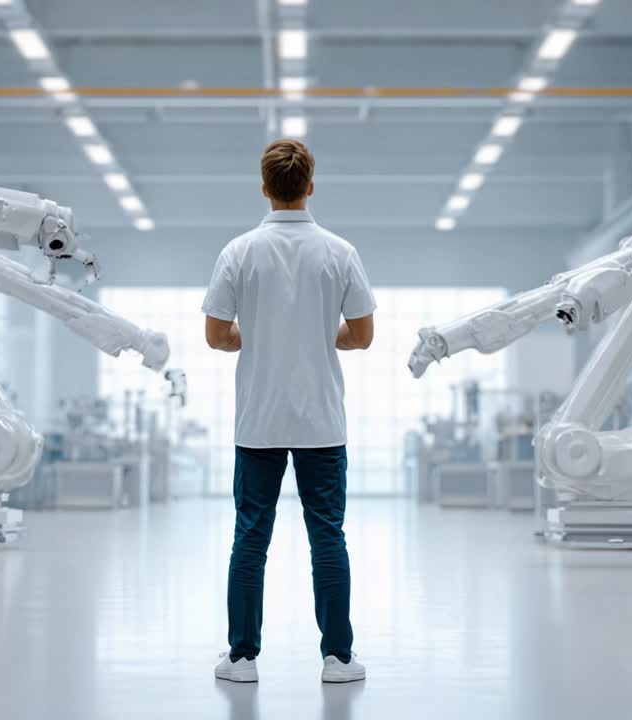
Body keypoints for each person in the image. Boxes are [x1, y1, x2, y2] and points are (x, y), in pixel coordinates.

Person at [203, 138, 376, 684]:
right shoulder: (339, 252)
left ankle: (242, 658)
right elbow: (364, 335)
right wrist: (324, 336)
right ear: (310, 186)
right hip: (322, 421)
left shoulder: (239, 252)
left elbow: (215, 335)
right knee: (328, 534)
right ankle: (338, 659)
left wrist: (252, 337)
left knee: (250, 536)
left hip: (258, 420)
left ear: (264, 187)